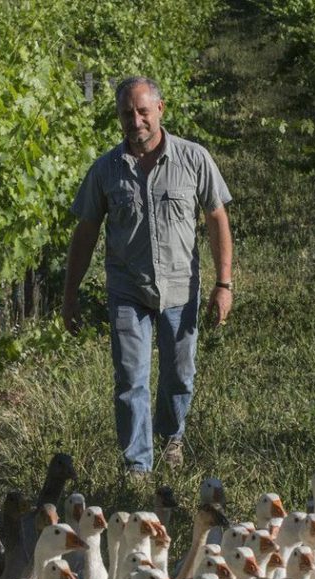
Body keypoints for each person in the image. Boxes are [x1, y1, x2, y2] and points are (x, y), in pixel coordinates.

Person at [63, 76, 233, 482]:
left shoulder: (194, 159)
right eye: (127, 113)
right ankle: (137, 465)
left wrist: (223, 283)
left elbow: (216, 219)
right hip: (127, 288)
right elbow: (85, 233)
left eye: (142, 111)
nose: (135, 121)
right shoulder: (106, 170)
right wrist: (69, 296)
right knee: (129, 378)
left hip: (179, 286)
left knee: (179, 375)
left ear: (160, 109)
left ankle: (171, 438)